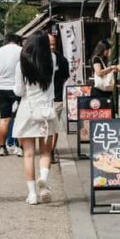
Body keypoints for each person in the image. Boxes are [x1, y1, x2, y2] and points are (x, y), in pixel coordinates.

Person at [13, 31, 57, 205]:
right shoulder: (52, 60)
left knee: (29, 154)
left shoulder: (22, 64)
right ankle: (44, 181)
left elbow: (18, 91)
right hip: (46, 111)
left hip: (27, 110)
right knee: (46, 151)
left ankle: (32, 194)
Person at [0, 34, 23, 157]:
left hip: (3, 89)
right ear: (18, 42)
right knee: (19, 119)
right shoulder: (22, 51)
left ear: (6, 41)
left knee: (4, 119)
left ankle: (2, 147)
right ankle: (20, 147)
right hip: (18, 89)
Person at [49, 33, 70, 164]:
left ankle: (50, 151)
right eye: (49, 44)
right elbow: (65, 77)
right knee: (47, 127)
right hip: (42, 99)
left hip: (56, 98)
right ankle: (47, 151)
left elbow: (65, 76)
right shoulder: (38, 58)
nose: (51, 47)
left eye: (53, 44)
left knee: (53, 127)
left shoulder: (61, 59)